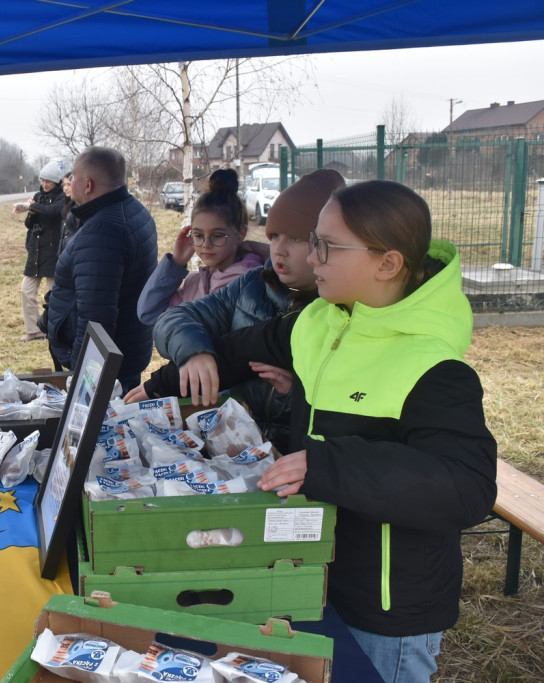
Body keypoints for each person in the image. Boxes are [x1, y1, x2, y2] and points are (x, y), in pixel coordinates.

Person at [157, 180, 497, 682]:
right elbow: (236, 349)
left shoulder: (436, 368)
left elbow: (466, 486)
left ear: (387, 264)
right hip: (311, 572)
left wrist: (327, 464)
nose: (311, 258)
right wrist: (164, 382)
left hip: (385, 607)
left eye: (327, 246)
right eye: (313, 241)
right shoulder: (319, 322)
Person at [129, 169, 345, 452]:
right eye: (275, 235)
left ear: (328, 247)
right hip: (232, 443)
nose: (279, 250)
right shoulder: (253, 285)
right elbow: (170, 317)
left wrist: (296, 395)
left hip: (289, 458)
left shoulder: (338, 309)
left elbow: (345, 413)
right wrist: (194, 352)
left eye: (296, 238)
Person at [46, 146, 158, 393]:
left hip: (108, 372)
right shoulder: (133, 210)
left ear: (88, 184)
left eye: (72, 176)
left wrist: (81, 383)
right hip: (127, 354)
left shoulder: (103, 231)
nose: (68, 181)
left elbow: (95, 319)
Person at [137, 169, 267, 326]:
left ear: (241, 233)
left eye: (217, 236)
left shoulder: (251, 286)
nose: (206, 245)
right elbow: (148, 312)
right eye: (198, 235)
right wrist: (176, 263)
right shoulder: (195, 283)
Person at [13, 160, 64, 341]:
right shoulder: (37, 196)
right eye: (42, 180)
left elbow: (54, 212)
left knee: (53, 296)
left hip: (53, 252)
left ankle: (54, 330)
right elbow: (29, 224)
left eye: (48, 181)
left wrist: (31, 207)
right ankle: (34, 330)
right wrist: (30, 211)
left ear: (56, 182)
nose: (44, 184)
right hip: (36, 252)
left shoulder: (62, 197)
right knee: (26, 291)